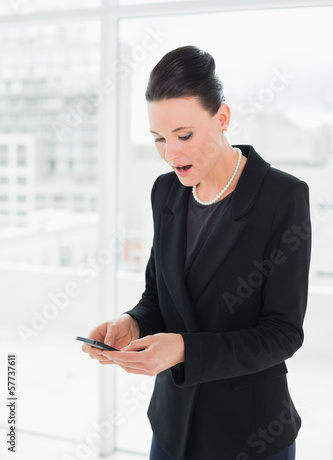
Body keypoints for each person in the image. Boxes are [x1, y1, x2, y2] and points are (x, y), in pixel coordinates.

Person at [82, 46, 311, 460]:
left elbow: (283, 333)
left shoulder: (282, 197)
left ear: (222, 119)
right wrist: (131, 323)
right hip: (171, 428)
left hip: (250, 435)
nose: (172, 153)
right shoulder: (165, 192)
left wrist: (185, 349)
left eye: (184, 135)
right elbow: (159, 296)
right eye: (158, 139)